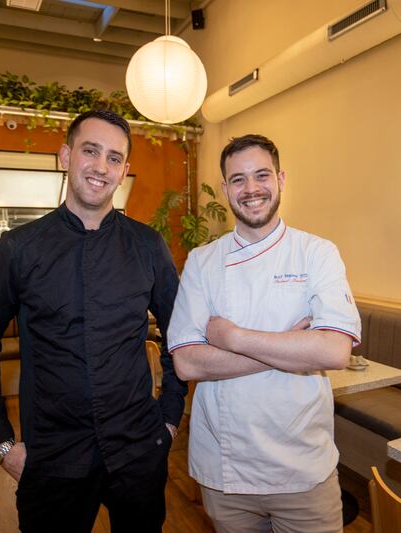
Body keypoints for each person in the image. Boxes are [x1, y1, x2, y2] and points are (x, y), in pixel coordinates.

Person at [0, 109, 187, 533]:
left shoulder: (148, 245)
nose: (101, 167)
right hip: (53, 457)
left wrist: (169, 420)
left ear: (124, 171)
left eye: (115, 158)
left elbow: (181, 337)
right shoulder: (19, 249)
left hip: (138, 451)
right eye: (90, 151)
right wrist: (1, 444)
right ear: (65, 156)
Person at [167, 134, 361, 533]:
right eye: (238, 179)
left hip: (303, 466)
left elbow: (334, 351)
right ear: (224, 189)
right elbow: (187, 363)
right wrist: (289, 344)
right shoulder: (202, 263)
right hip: (227, 469)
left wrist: (234, 337)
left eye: (261, 175)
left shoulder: (317, 253)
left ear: (281, 179)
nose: (251, 189)